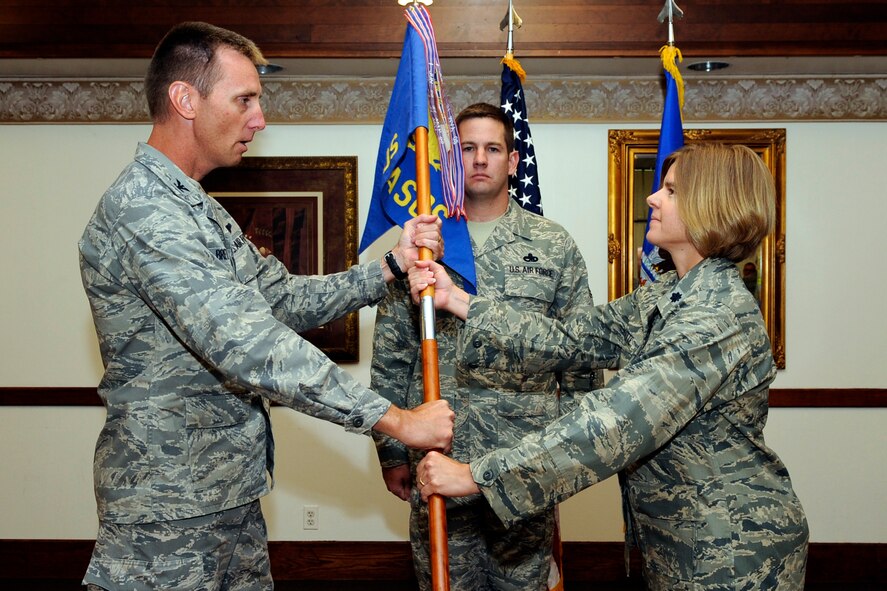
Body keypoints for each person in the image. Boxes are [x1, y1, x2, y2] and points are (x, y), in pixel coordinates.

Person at [78, 22, 454, 591]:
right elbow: (246, 341)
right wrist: (397, 420)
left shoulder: (198, 208)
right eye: (244, 100)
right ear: (185, 99)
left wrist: (389, 268)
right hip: (167, 507)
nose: (259, 119)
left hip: (229, 490)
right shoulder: (144, 209)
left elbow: (281, 299)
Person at [411, 143, 809, 590]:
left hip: (732, 549)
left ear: (709, 206)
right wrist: (458, 300)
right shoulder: (666, 295)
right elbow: (574, 337)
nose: (652, 198)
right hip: (685, 541)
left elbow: (618, 419)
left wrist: (476, 476)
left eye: (671, 191)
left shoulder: (714, 315)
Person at [370, 102, 601, 591]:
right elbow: (392, 355)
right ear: (450, 161)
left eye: (493, 149)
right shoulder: (423, 244)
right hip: (438, 454)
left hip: (525, 459)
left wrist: (568, 452)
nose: (479, 159)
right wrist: (391, 451)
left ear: (513, 161)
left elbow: (581, 355)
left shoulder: (552, 244)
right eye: (468, 148)